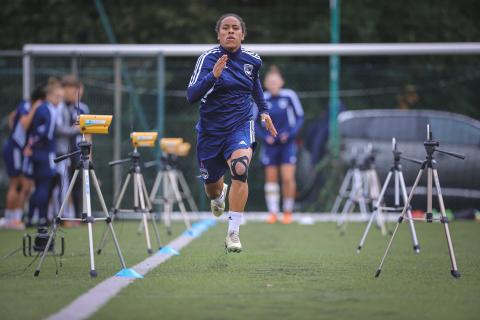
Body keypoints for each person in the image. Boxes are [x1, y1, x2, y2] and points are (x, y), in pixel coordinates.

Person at [186, 13, 277, 253]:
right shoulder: (207, 59)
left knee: (240, 168)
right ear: (218, 34)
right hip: (210, 132)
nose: (230, 32)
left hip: (240, 125)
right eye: (225, 28)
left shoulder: (252, 60)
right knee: (212, 189)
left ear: (242, 34)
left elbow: (255, 85)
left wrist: (264, 112)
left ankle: (233, 232)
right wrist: (213, 76)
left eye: (235, 28)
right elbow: (191, 96)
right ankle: (219, 195)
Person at [256, 66, 304, 224]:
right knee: (271, 179)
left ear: (281, 82)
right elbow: (254, 123)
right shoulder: (262, 97)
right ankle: (273, 212)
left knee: (288, 178)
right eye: (270, 81)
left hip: (287, 144)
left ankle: (288, 211)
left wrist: (289, 135)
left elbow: (299, 117)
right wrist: (265, 137)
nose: (273, 84)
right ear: (265, 83)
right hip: (270, 145)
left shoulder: (289, 96)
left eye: (275, 81)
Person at [1, 86, 46, 229]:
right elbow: (24, 123)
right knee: (17, 183)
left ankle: (14, 218)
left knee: (25, 185)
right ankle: (10, 219)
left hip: (21, 149)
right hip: (14, 148)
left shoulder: (26, 106)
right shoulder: (27, 106)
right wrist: (35, 108)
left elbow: (12, 116)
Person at [24, 78, 63, 227]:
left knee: (40, 185)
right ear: (49, 95)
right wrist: (35, 144)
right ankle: (41, 218)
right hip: (45, 152)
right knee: (44, 185)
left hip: (38, 152)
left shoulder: (41, 109)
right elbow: (44, 132)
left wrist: (31, 145)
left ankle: (30, 218)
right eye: (57, 97)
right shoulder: (48, 110)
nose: (59, 100)